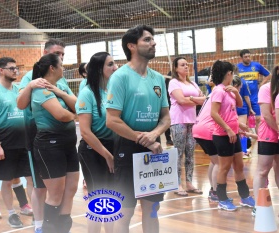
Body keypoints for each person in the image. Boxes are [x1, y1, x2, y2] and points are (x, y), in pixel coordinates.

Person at [106, 25, 171, 233]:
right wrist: (142, 139)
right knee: (125, 212)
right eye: (147, 40)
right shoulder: (120, 77)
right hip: (127, 147)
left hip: (154, 149)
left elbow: (166, 117)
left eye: (153, 39)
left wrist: (154, 135)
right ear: (131, 46)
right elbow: (112, 120)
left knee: (152, 210)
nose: (153, 43)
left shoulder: (158, 79)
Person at [17, 38, 68, 233]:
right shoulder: (31, 76)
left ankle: (57, 223)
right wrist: (30, 86)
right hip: (38, 136)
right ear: (45, 52)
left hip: (62, 138)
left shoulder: (61, 79)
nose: (60, 57)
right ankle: (39, 225)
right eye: (57, 53)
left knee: (60, 188)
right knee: (38, 185)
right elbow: (20, 104)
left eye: (62, 54)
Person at [31, 53, 79, 233]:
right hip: (49, 144)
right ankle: (49, 228)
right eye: (61, 64)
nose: (64, 68)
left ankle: (63, 228)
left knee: (71, 189)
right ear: (52, 68)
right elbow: (62, 114)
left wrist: (60, 92)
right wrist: (77, 115)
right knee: (56, 194)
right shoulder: (40, 89)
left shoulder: (60, 86)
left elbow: (78, 104)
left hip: (68, 143)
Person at [0, 57, 33, 228]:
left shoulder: (20, 89)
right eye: (11, 68)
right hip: (6, 144)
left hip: (25, 143)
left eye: (16, 68)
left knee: (31, 179)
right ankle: (12, 214)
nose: (15, 71)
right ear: (1, 70)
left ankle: (33, 209)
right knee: (6, 181)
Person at [76, 52, 117, 233]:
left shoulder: (113, 90)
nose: (115, 67)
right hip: (93, 150)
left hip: (114, 147)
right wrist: (107, 155)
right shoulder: (87, 93)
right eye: (110, 64)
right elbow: (85, 132)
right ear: (100, 69)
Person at [210, 60, 255, 211]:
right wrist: (228, 129)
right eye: (232, 73)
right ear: (229, 74)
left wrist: (236, 92)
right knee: (224, 168)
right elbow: (214, 113)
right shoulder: (218, 90)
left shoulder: (228, 89)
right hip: (223, 135)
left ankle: (245, 197)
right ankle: (222, 200)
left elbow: (239, 105)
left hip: (234, 134)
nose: (233, 75)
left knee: (239, 166)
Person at [168, 57, 206, 196]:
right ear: (176, 68)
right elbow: (181, 100)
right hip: (178, 120)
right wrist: (193, 99)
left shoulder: (193, 84)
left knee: (190, 153)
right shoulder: (173, 82)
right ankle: (176, 184)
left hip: (192, 121)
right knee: (178, 153)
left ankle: (189, 183)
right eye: (182, 65)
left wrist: (190, 99)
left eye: (187, 64)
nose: (186, 67)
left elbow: (204, 100)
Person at [253, 65, 279, 216]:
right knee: (263, 170)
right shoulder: (265, 89)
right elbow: (267, 115)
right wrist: (278, 130)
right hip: (268, 134)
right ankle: (259, 205)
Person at [237, 49, 271, 131]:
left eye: (249, 56)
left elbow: (269, 75)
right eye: (245, 57)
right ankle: (247, 139)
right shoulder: (237, 67)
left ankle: (259, 139)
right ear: (241, 58)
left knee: (258, 119)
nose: (248, 58)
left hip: (255, 97)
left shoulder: (256, 65)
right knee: (244, 120)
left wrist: (262, 84)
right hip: (243, 98)